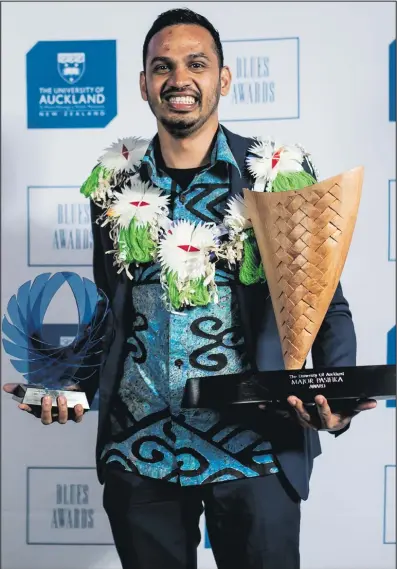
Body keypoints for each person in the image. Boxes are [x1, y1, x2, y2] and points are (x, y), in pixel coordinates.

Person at [4, 8, 376, 569]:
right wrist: (68, 388)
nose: (179, 79)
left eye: (196, 64)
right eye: (163, 66)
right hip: (141, 447)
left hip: (256, 451)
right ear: (144, 84)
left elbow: (326, 305)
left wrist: (336, 401)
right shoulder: (114, 183)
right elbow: (112, 308)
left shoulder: (275, 173)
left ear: (223, 78)